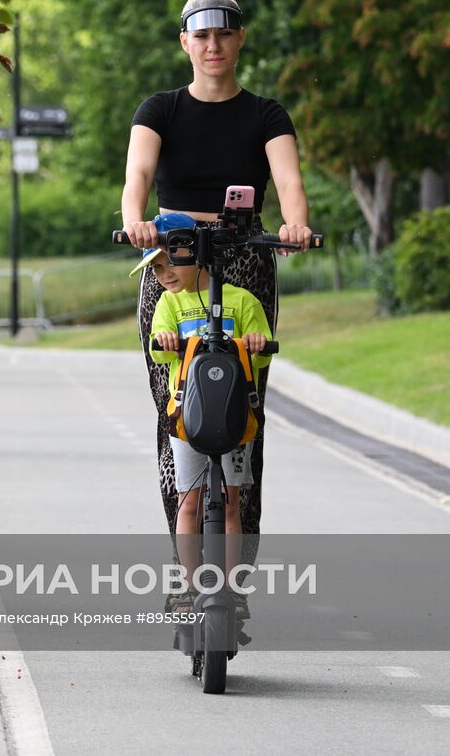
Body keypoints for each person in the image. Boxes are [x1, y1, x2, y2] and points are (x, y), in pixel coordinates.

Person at [120, 0, 312, 545]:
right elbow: (138, 175)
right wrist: (135, 217)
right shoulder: (160, 109)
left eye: (224, 36)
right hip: (174, 254)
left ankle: (237, 561)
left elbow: (289, 179)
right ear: (185, 43)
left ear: (240, 41)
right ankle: (183, 555)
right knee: (175, 409)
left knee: (242, 414)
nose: (213, 46)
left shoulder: (266, 115)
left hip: (245, 257)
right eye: (202, 36)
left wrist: (294, 223)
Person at [142, 231, 272, 615]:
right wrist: (163, 339)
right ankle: (186, 586)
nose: (164, 274)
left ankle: (232, 590)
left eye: (170, 263)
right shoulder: (169, 303)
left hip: (232, 415)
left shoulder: (242, 300)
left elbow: (262, 352)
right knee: (189, 503)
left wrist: (257, 344)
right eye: (157, 268)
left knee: (232, 503)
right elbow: (159, 351)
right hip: (187, 417)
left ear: (197, 258)